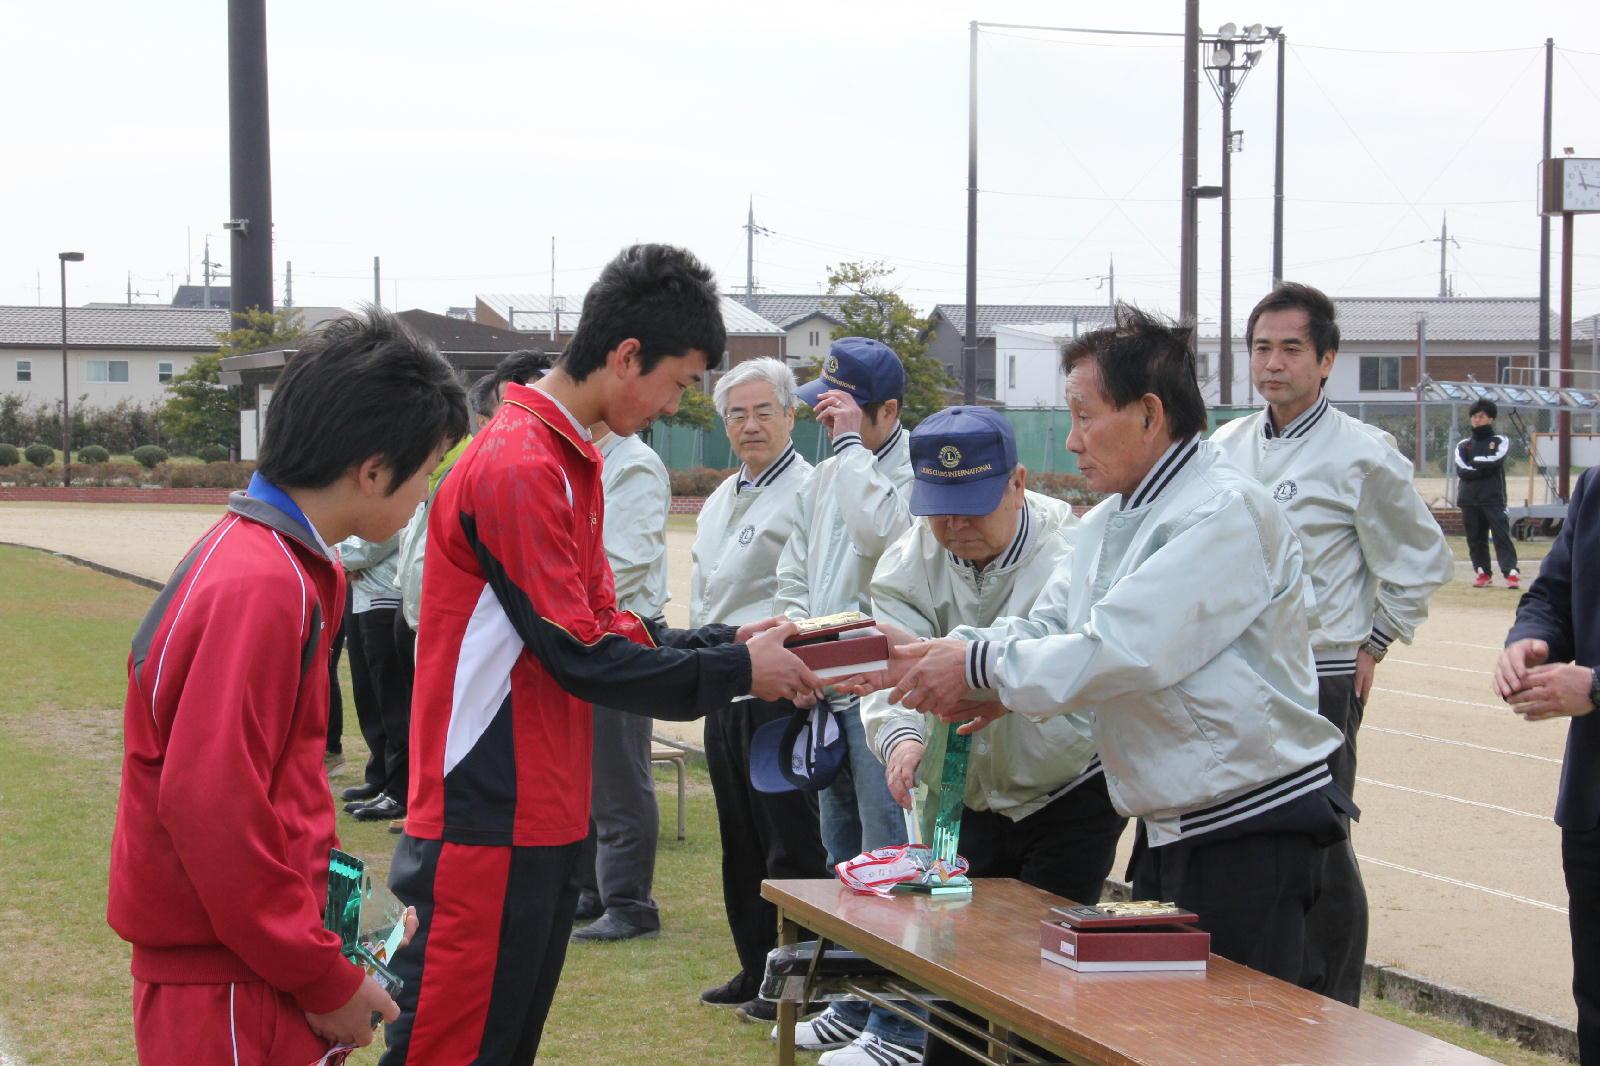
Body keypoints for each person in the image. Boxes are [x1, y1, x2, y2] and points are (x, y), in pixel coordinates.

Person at [383, 244, 822, 1066]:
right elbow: (579, 656)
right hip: (485, 811)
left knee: (503, 1044)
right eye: (681, 382)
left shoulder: (570, 457)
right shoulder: (517, 462)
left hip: (541, 808)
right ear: (627, 357)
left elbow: (615, 628)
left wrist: (737, 640)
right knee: (450, 1048)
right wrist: (738, 672)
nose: (674, 404)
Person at [869, 306, 1349, 986]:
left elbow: (1120, 646)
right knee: (1159, 1028)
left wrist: (977, 667)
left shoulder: (1222, 511)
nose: (1071, 441)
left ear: (1150, 415)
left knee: (1234, 1037)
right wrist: (932, 658)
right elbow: (1045, 627)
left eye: (1084, 416)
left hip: (1248, 828)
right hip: (1174, 824)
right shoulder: (1112, 522)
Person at [106, 309, 467, 1063]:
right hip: (232, 982)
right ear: (373, 470)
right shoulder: (261, 581)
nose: (424, 494)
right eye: (427, 470)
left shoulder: (286, 562)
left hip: (254, 963)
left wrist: (347, 921)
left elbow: (286, 787)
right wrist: (321, 979)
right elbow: (212, 805)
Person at [1210, 281, 1453, 1005]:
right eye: (1261, 348)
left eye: (1291, 348)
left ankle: (1333, 1001)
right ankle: (1260, 986)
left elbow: (1419, 559)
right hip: (1232, 673)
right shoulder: (1224, 448)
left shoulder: (1363, 454)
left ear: (1326, 361)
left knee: (1318, 838)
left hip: (1321, 672)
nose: (1273, 363)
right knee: (1241, 836)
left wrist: (1375, 644)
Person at [860, 406, 1126, 1065]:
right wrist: (900, 740)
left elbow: (1077, 659)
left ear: (1017, 483)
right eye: (939, 509)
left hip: (1068, 788)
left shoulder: (1075, 550)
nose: (954, 527)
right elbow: (884, 672)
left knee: (1051, 972)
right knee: (956, 964)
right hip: (954, 790)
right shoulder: (906, 563)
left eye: (972, 506)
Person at [775, 335, 922, 1064]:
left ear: (888, 411)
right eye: (820, 406)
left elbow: (886, 535)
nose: (823, 420)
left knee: (890, 856)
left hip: (885, 695)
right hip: (826, 689)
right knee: (842, 857)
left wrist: (851, 451)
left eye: (841, 408)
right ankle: (853, 1002)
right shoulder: (828, 470)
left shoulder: (912, 470)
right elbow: (794, 563)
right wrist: (798, 651)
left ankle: (898, 1030)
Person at [691, 357, 827, 1021]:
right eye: (736, 414)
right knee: (739, 838)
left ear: (790, 415)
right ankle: (755, 968)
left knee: (790, 842)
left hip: (780, 687)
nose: (749, 425)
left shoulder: (809, 490)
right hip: (727, 685)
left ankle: (802, 980)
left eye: (762, 411)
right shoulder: (721, 495)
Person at [387, 351, 551, 837]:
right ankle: (415, 801)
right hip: (433, 619)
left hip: (494, 646)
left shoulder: (496, 469)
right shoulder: (471, 468)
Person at [1495, 467, 1600, 1064]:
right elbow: (1551, 595)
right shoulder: (1594, 488)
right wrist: (1531, 638)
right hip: (1593, 806)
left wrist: (1598, 687)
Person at [571, 423, 672, 942]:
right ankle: (592, 887)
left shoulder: (631, 464)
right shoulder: (591, 460)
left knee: (619, 775)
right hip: (588, 630)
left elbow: (626, 561)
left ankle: (631, 902)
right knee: (586, 771)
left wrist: (559, 597)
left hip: (623, 631)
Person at [338, 531, 411, 823]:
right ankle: (380, 772)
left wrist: (343, 559)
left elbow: (380, 538)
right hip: (362, 595)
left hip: (386, 595)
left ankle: (398, 788)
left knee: (392, 697)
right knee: (368, 693)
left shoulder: (403, 493)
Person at [1455, 398, 1519, 589]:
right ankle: (1482, 572)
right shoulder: (1463, 445)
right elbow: (1461, 469)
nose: (1477, 420)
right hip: (1468, 499)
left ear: (1491, 418)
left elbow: (1495, 461)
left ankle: (1511, 573)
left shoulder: (1500, 441)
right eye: (1474, 416)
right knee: (1475, 538)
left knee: (1501, 536)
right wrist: (1481, 466)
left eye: (1481, 416)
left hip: (1493, 498)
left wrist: (1475, 463)